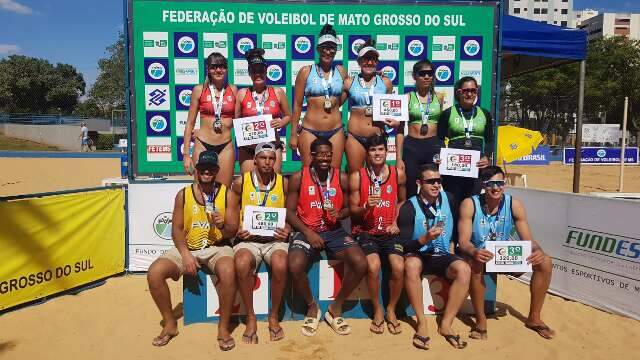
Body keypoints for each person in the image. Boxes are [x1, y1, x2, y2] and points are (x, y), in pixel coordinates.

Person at [146, 150, 237, 351]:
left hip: (216, 247)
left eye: (211, 168)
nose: (206, 171)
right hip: (188, 247)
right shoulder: (184, 195)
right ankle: (170, 324)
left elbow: (232, 231)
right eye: (202, 167)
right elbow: (177, 229)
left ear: (217, 171)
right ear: (196, 170)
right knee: (154, 273)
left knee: (229, 272)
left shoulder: (227, 193)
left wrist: (222, 225)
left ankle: (223, 328)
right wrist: (185, 254)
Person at [457, 165, 555, 340]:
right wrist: (474, 251)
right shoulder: (469, 204)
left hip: (505, 255)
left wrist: (538, 251)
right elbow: (463, 242)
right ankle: (481, 322)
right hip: (481, 255)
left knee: (545, 261)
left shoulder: (514, 204)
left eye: (499, 183)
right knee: (474, 261)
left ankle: (534, 318)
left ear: (505, 184)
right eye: (490, 184)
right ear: (483, 184)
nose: (495, 188)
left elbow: (528, 240)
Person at [287, 137, 367, 336]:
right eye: (321, 154)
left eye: (328, 154)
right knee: (294, 265)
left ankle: (335, 308)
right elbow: (288, 212)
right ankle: (312, 307)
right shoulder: (299, 177)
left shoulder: (341, 177)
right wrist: (308, 232)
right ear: (312, 156)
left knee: (360, 262)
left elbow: (350, 208)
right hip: (307, 230)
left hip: (334, 231)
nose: (325, 158)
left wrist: (340, 214)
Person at [398, 164, 470, 350]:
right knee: (412, 265)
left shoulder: (450, 199)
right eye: (431, 181)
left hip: (442, 254)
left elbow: (457, 225)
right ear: (419, 183)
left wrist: (455, 245)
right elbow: (404, 244)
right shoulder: (409, 207)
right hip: (419, 253)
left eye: (439, 180)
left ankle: (446, 324)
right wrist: (425, 238)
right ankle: (422, 323)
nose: (436, 184)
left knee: (464, 269)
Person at [227, 142, 291, 344]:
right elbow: (231, 212)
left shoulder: (283, 183)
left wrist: (287, 228)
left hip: (274, 240)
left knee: (281, 264)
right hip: (249, 240)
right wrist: (236, 228)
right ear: (254, 160)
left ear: (276, 161)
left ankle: (273, 316)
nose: (267, 162)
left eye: (271, 158)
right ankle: (251, 317)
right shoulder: (240, 182)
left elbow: (289, 213)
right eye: (263, 158)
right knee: (242, 263)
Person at [348, 134, 406, 335]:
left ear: (387, 151)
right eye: (373, 150)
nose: (377, 153)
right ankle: (378, 309)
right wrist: (365, 207)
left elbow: (402, 201)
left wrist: (396, 222)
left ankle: (391, 309)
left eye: (380, 149)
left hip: (390, 231)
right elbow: (352, 210)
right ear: (367, 153)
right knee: (373, 266)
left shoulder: (396, 173)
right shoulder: (358, 175)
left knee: (399, 267)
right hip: (366, 232)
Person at [290, 24, 348, 168]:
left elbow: (352, 89)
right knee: (308, 173)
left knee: (334, 174)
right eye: (324, 48)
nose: (328, 51)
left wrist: (374, 76)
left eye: (331, 48)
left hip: (335, 131)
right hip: (310, 130)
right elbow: (297, 105)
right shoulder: (305, 71)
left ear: (336, 50)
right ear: (318, 49)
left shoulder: (341, 71)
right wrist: (292, 134)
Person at [344, 39, 403, 173]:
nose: (369, 62)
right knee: (355, 176)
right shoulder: (348, 83)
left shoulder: (386, 82)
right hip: (355, 137)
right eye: (365, 59)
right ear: (359, 61)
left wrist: (395, 122)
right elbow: (334, 104)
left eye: (373, 59)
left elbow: (393, 111)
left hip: (377, 137)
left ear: (377, 62)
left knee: (377, 177)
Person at [183, 52, 237, 186]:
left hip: (226, 146)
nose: (218, 70)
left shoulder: (234, 90)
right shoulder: (199, 90)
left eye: (222, 66)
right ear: (208, 69)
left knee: (224, 191)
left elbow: (240, 120)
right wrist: (186, 155)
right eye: (214, 67)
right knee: (201, 190)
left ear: (226, 69)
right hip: (203, 144)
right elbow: (189, 123)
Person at [437, 76, 494, 201]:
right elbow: (439, 139)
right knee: (453, 203)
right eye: (466, 90)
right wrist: (440, 156)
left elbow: (490, 140)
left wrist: (486, 157)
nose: (469, 94)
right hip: (453, 168)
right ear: (459, 92)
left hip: (475, 168)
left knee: (471, 203)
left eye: (473, 91)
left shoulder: (485, 114)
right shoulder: (447, 113)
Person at [235, 48, 291, 173]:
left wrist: (281, 122)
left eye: (261, 70)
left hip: (271, 148)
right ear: (249, 73)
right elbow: (235, 120)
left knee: (273, 186)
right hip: (248, 150)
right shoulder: (241, 93)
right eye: (254, 71)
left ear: (266, 72)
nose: (258, 74)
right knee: (249, 187)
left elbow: (288, 116)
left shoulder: (278, 92)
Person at [403, 60, 445, 198]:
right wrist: (398, 158)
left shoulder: (438, 97)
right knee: (410, 185)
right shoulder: (407, 97)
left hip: (433, 144)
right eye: (422, 73)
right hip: (412, 146)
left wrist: (443, 150)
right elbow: (399, 129)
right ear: (415, 76)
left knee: (433, 184)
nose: (426, 77)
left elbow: (442, 125)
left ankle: (433, 215)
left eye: (430, 73)